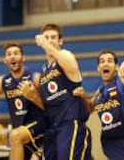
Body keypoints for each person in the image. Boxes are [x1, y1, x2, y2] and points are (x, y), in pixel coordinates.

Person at [73, 49, 124, 160]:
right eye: (102, 61)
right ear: (98, 68)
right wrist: (83, 96)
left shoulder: (123, 80)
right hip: (116, 154)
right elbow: (91, 108)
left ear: (117, 67)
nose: (105, 63)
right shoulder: (100, 92)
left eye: (109, 61)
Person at [34, 23, 91, 160]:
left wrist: (46, 45)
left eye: (53, 37)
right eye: (46, 37)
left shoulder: (65, 56)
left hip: (70, 124)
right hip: (52, 127)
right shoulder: (43, 71)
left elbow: (71, 65)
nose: (49, 40)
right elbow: (46, 104)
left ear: (61, 40)